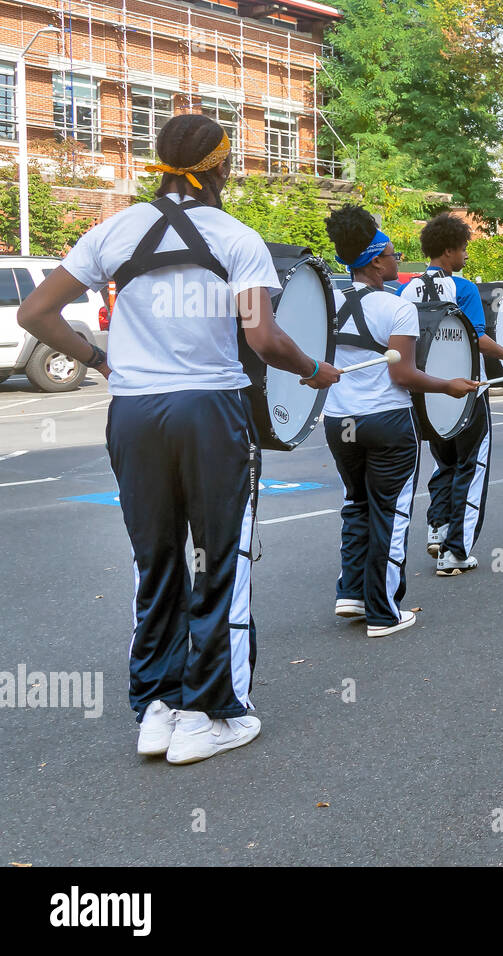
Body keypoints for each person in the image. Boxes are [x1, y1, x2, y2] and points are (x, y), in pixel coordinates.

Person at [16, 114, 341, 764]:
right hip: (210, 413)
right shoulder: (237, 238)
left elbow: (33, 313)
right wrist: (313, 369)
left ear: (161, 164)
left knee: (155, 560)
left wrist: (102, 361)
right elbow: (264, 340)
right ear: (221, 166)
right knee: (220, 560)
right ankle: (211, 715)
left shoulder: (115, 230)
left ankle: (157, 710)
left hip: (135, 413)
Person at [323, 205, 480, 637]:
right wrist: (447, 385)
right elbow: (403, 375)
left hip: (339, 421)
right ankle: (384, 612)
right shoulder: (395, 308)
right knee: (390, 513)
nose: (397, 261)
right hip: (388, 420)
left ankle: (351, 593)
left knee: (356, 504)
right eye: (392, 254)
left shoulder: (328, 301)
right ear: (375, 260)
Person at [399, 213, 503, 575]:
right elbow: (479, 339)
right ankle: (455, 551)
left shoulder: (407, 290)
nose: (465, 255)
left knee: (443, 461)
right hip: (466, 389)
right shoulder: (463, 289)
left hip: (427, 393)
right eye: (462, 248)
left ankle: (437, 528)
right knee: (471, 465)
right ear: (448, 251)